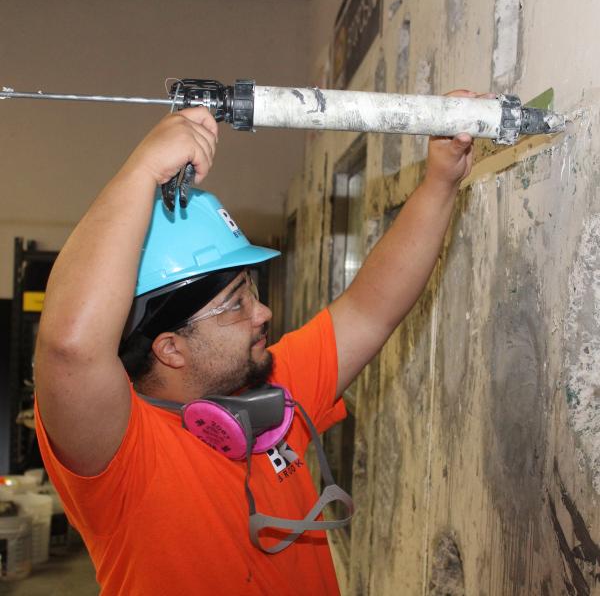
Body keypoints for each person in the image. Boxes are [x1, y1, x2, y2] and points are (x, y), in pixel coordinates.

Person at [34, 90, 479, 595]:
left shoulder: (267, 401)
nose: (263, 313)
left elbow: (370, 308)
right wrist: (141, 172)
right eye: (236, 303)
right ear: (169, 348)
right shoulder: (123, 457)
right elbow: (71, 348)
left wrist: (441, 179)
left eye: (254, 293)